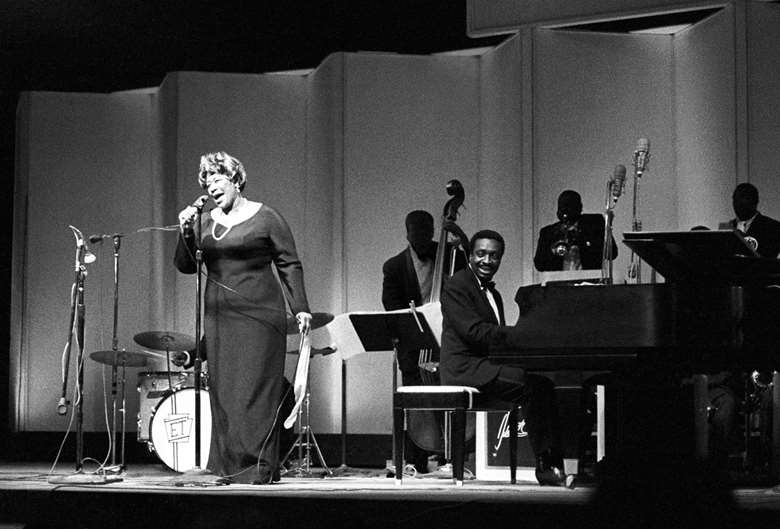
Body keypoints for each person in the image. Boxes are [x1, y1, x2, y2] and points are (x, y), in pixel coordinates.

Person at [175, 151, 312, 484]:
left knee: (256, 391)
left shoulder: (266, 217)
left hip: (261, 314)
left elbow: (288, 263)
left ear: (235, 180)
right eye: (207, 182)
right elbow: (185, 265)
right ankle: (229, 466)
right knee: (226, 393)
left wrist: (301, 307)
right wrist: (185, 232)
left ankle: (259, 466)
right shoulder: (204, 222)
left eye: (217, 179)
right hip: (220, 318)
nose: (211, 187)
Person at [439, 229, 574, 487]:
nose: (487, 261)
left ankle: (553, 464)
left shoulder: (494, 294)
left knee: (542, 383)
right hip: (464, 367)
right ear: (470, 256)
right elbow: (474, 332)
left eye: (494, 256)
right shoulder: (456, 285)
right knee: (534, 387)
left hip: (486, 364)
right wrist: (520, 334)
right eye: (481, 254)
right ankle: (547, 468)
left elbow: (493, 338)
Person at [381, 210, 466, 473]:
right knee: (416, 403)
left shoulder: (452, 256)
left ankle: (453, 458)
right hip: (413, 347)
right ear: (407, 232)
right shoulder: (394, 266)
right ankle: (416, 462)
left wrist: (460, 240)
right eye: (417, 231)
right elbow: (390, 305)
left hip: (446, 343)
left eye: (427, 231)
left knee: (449, 398)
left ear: (433, 230)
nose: (423, 236)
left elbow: (467, 289)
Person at [534, 190, 617, 271]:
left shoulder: (594, 223)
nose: (565, 211)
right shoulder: (548, 232)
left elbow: (612, 253)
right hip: (559, 281)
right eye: (562, 207)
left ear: (580, 208)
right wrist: (553, 250)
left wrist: (582, 240)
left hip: (589, 280)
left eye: (569, 206)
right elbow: (539, 265)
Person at [719, 182, 780, 258]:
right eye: (736, 199)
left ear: (755, 201)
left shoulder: (772, 227)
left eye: (744, 198)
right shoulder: (727, 229)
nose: (739, 203)